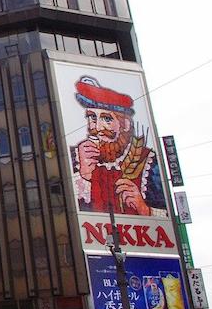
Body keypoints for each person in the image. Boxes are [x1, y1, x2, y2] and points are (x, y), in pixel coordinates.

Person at [71, 76, 166, 215]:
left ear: (125, 124)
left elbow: (170, 216)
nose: (97, 127)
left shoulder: (148, 161)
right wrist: (83, 176)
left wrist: (144, 209)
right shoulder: (75, 158)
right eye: (92, 117)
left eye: (107, 119)